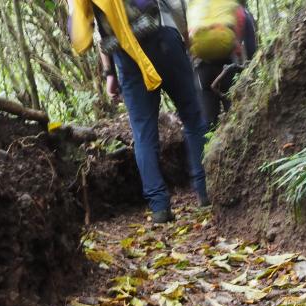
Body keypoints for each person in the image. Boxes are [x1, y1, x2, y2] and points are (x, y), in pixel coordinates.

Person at [69, 0, 209, 223]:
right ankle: (204, 189)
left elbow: (94, 31)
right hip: (162, 37)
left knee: (143, 132)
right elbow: (174, 4)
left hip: (125, 55)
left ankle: (159, 206)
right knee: (192, 115)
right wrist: (185, 34)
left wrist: (109, 73)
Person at [193, 5, 256, 130]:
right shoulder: (236, 9)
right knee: (235, 113)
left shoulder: (198, 8)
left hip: (202, 67)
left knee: (209, 122)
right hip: (229, 63)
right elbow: (251, 50)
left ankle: (212, 137)